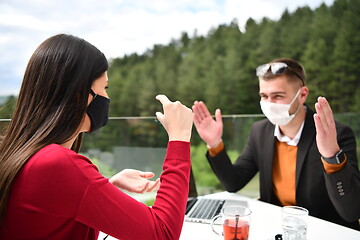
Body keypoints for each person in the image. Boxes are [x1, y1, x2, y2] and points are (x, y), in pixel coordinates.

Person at [0, 34, 194, 240]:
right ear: (79, 95)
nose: (107, 98)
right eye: (104, 88)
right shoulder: (56, 163)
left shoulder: (22, 154)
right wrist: (179, 138)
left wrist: (105, 188)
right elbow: (162, 233)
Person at [192, 58, 360, 230]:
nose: (269, 104)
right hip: (275, 225)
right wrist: (214, 144)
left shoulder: (335, 135)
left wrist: (331, 155)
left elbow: (352, 211)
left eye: (278, 96)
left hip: (323, 230)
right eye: (264, 96)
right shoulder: (260, 131)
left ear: (302, 95)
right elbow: (234, 182)